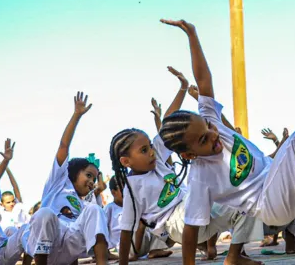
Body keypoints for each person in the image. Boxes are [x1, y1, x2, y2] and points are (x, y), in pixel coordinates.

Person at [159, 18, 295, 265]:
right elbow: (190, 229)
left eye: (208, 127)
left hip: (284, 183)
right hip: (269, 205)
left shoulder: (213, 122)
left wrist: (192, 35)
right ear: (189, 155)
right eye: (203, 140)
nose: (213, 135)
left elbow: (204, 80)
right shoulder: (201, 176)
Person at [110, 66, 256, 265]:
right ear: (126, 161)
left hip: (193, 211)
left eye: (150, 146)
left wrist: (183, 88)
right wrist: (122, 263)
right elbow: (126, 230)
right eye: (143, 151)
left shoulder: (158, 159)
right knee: (199, 188)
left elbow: (169, 127)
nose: (151, 151)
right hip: (175, 223)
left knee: (245, 201)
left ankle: (234, 256)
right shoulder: (132, 188)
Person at [26, 91, 109, 265]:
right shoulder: (59, 183)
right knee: (45, 213)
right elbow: (64, 146)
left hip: (68, 250)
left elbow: (85, 229)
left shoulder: (86, 204)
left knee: (95, 211)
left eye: (94, 178)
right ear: (72, 173)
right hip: (47, 248)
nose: (91, 181)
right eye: (88, 175)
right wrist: (76, 115)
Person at [0, 163, 30, 236]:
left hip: (22, 239)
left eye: (13, 201)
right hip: (7, 243)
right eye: (8, 202)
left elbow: (15, 187)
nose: (12, 203)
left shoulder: (18, 207)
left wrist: (7, 169)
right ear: (2, 204)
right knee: (11, 229)